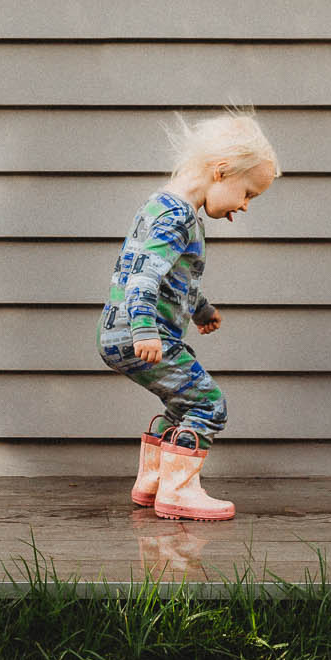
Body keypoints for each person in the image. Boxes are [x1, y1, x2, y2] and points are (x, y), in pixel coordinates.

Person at [97, 111, 279, 521]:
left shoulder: (163, 208)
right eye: (247, 193)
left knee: (183, 403)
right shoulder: (177, 216)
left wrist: (201, 309)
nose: (245, 206)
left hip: (123, 332)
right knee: (209, 404)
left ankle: (154, 482)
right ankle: (179, 492)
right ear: (221, 171)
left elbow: (172, 277)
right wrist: (145, 328)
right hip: (140, 331)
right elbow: (141, 278)